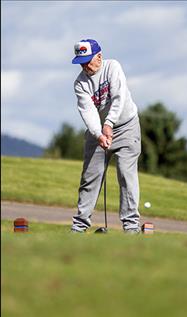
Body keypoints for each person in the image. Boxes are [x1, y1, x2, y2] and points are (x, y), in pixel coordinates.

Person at [70, 39, 142, 234]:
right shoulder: (80, 83)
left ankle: (131, 227)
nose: (85, 66)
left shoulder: (112, 67)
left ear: (99, 56)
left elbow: (119, 97)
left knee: (126, 174)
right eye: (81, 62)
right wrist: (99, 133)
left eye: (88, 60)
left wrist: (109, 124)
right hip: (98, 133)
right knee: (90, 178)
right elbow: (88, 112)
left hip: (127, 127)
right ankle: (79, 226)